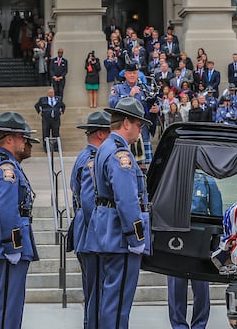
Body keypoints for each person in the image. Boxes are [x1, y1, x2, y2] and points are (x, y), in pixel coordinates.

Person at [86, 97, 152, 329]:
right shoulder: (121, 154)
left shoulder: (106, 147)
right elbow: (126, 199)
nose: (140, 129)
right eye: (138, 124)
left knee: (110, 300)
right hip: (120, 238)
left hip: (108, 232)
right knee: (118, 304)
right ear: (126, 123)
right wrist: (136, 237)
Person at [0, 111, 40, 329]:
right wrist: (13, 245)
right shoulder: (6, 169)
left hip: (8, 239)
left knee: (8, 302)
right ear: (9, 139)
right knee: (8, 304)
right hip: (8, 242)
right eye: (22, 137)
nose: (25, 141)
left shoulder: (7, 164)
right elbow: (6, 210)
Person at [68, 112, 111, 329]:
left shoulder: (84, 156)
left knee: (94, 292)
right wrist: (100, 233)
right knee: (97, 292)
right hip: (92, 236)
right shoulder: (93, 161)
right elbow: (88, 202)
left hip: (86, 234)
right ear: (102, 134)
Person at [167, 170, 222, 329]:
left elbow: (216, 211)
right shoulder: (172, 180)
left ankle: (199, 325)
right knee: (176, 286)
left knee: (201, 287)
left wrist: (215, 241)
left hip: (199, 239)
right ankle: (179, 326)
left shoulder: (207, 181)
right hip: (176, 239)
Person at [34, 87, 65, 152]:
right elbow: (36, 105)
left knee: (56, 133)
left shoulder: (58, 99)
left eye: (52, 92)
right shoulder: (43, 99)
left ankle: (56, 147)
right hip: (46, 119)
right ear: (48, 93)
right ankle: (46, 147)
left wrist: (62, 111)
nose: (51, 94)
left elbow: (63, 105)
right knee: (46, 133)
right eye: (50, 93)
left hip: (55, 119)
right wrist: (39, 112)